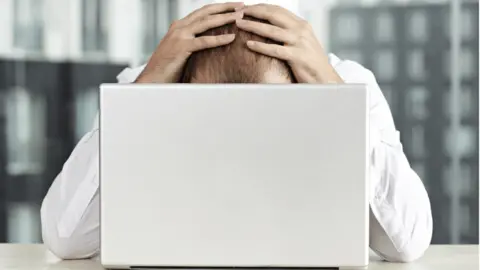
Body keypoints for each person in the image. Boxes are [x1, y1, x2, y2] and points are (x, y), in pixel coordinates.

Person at [40, 2, 433, 262]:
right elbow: (66, 237)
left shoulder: (346, 84)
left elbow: (407, 242)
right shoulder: (146, 88)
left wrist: (335, 95)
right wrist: (142, 95)